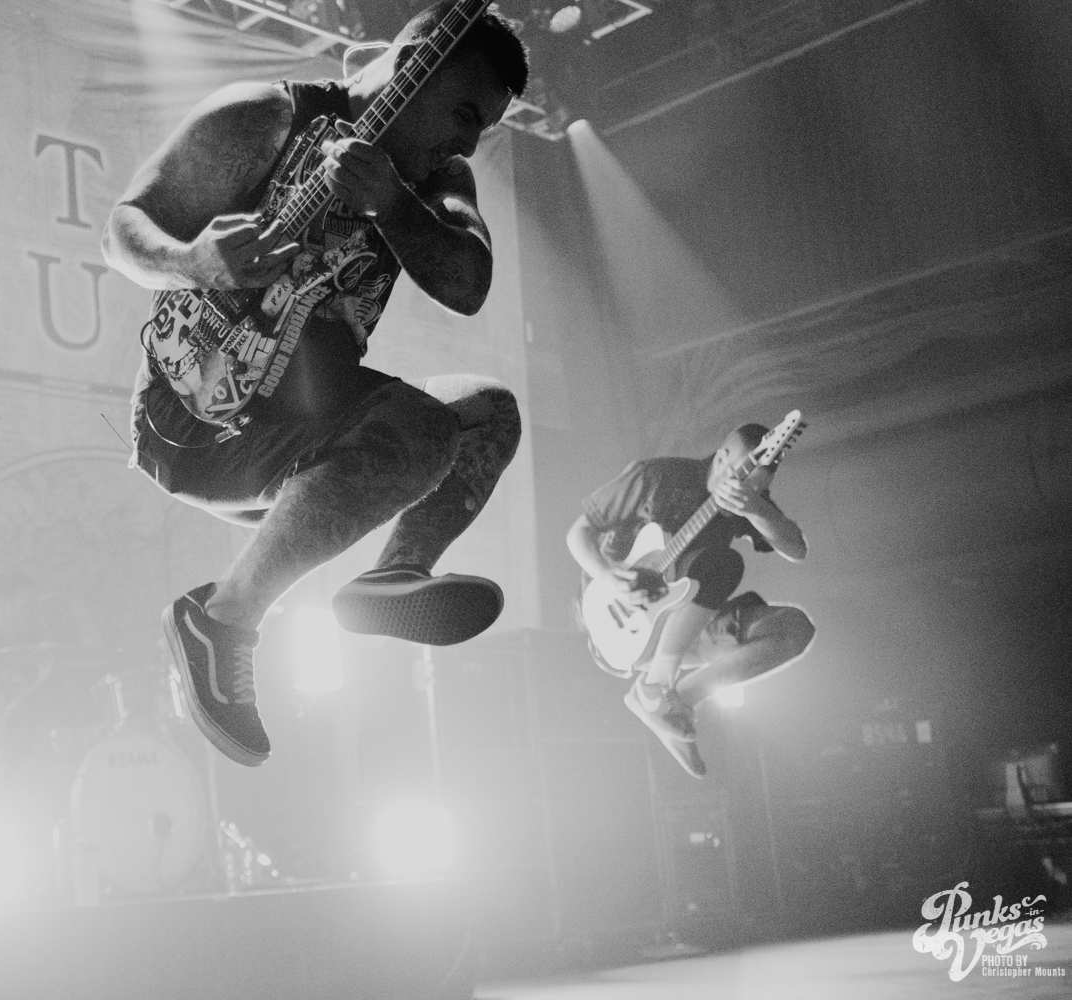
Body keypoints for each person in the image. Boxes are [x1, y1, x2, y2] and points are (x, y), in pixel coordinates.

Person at [101, 2, 529, 767]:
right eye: (465, 114)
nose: (467, 143)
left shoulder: (439, 180)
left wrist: (393, 202)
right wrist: (192, 261)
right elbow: (123, 231)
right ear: (416, 63)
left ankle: (394, 575)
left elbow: (468, 284)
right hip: (196, 421)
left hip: (306, 419)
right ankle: (221, 621)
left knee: (490, 414)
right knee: (422, 429)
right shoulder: (263, 118)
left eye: (483, 129)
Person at [565, 424, 817, 777]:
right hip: (618, 620)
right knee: (724, 563)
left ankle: (668, 702)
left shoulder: (749, 500)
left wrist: (757, 509)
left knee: (794, 628)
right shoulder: (657, 476)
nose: (744, 491)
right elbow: (578, 533)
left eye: (757, 487)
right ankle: (657, 686)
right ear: (723, 458)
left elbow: (797, 549)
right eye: (741, 480)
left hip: (686, 622)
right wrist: (608, 576)